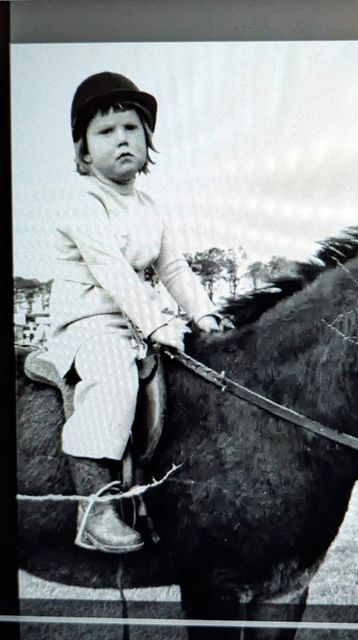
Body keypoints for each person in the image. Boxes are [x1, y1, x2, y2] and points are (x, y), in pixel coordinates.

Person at [44, 71, 222, 554]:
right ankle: (94, 504)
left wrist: (204, 316)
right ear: (83, 151)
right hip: (86, 326)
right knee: (112, 377)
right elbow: (113, 273)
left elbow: (176, 269)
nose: (121, 139)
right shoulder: (81, 202)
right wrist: (160, 323)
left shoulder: (150, 207)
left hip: (134, 326)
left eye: (131, 129)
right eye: (105, 132)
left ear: (148, 140)